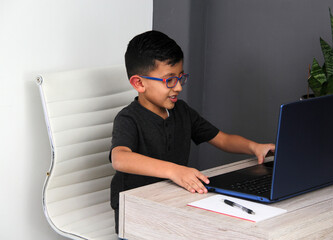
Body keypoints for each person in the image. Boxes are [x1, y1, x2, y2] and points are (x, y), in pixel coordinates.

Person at [109, 30, 275, 233]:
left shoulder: (182, 111)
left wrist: (254, 147)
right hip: (136, 212)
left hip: (173, 203)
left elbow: (222, 139)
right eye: (169, 80)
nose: (178, 87)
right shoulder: (129, 118)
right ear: (139, 83)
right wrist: (174, 170)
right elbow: (120, 158)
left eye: (181, 78)